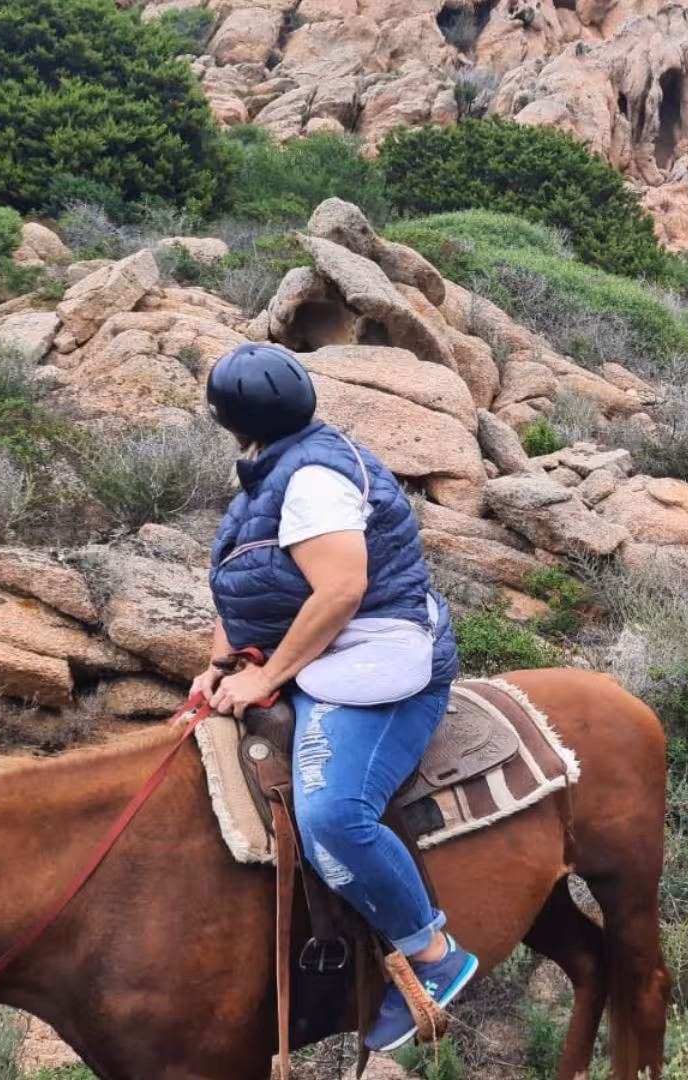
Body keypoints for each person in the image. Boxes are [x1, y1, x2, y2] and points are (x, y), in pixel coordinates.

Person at [193, 342, 475, 1052]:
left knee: (331, 815)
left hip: (374, 655)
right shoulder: (265, 474)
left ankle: (433, 957)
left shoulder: (311, 478)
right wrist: (220, 663)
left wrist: (262, 678)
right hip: (321, 649)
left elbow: (343, 589)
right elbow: (248, 582)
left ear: (224, 418)